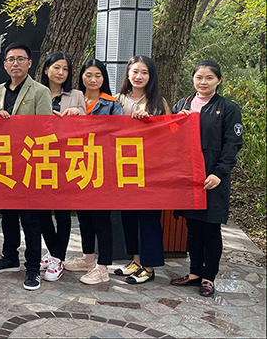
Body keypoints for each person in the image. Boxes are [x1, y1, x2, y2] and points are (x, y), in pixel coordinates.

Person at [170, 60, 242, 297]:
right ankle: (194, 273)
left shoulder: (228, 108)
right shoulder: (183, 104)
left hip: (213, 177)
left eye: (209, 77)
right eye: (199, 77)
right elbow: (170, 138)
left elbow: (232, 144)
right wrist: (175, 121)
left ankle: (208, 277)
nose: (203, 82)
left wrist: (219, 173)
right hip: (188, 176)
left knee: (211, 228)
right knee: (192, 227)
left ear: (218, 80)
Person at [0, 43, 53, 291]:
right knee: (8, 215)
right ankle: (10, 257)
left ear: (29, 63)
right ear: (5, 64)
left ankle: (32, 268)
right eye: (11, 59)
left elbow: (45, 127)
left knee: (30, 219)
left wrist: (16, 124)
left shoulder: (40, 91)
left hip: (29, 164)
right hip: (4, 163)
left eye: (20, 59)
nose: (15, 63)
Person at [63, 58, 122, 285]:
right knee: (84, 216)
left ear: (104, 78)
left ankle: (103, 267)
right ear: (81, 76)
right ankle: (88, 258)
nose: (93, 79)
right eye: (88, 74)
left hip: (102, 167)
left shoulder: (111, 104)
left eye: (98, 75)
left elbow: (118, 132)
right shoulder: (74, 99)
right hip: (77, 164)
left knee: (101, 218)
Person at [114, 55, 171, 285]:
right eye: (135, 71)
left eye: (144, 72)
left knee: (148, 218)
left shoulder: (158, 102)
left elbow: (169, 135)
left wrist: (149, 122)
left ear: (151, 76)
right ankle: (136, 261)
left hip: (151, 171)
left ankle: (149, 267)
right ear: (127, 73)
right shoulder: (117, 100)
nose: (139, 76)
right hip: (124, 169)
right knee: (128, 217)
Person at [37, 52, 85, 283]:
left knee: (63, 213)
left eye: (65, 69)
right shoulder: (37, 92)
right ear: (46, 69)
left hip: (66, 161)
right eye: (56, 67)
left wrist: (77, 114)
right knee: (42, 212)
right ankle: (53, 252)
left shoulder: (76, 95)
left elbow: (86, 126)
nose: (60, 73)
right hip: (41, 159)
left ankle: (58, 258)